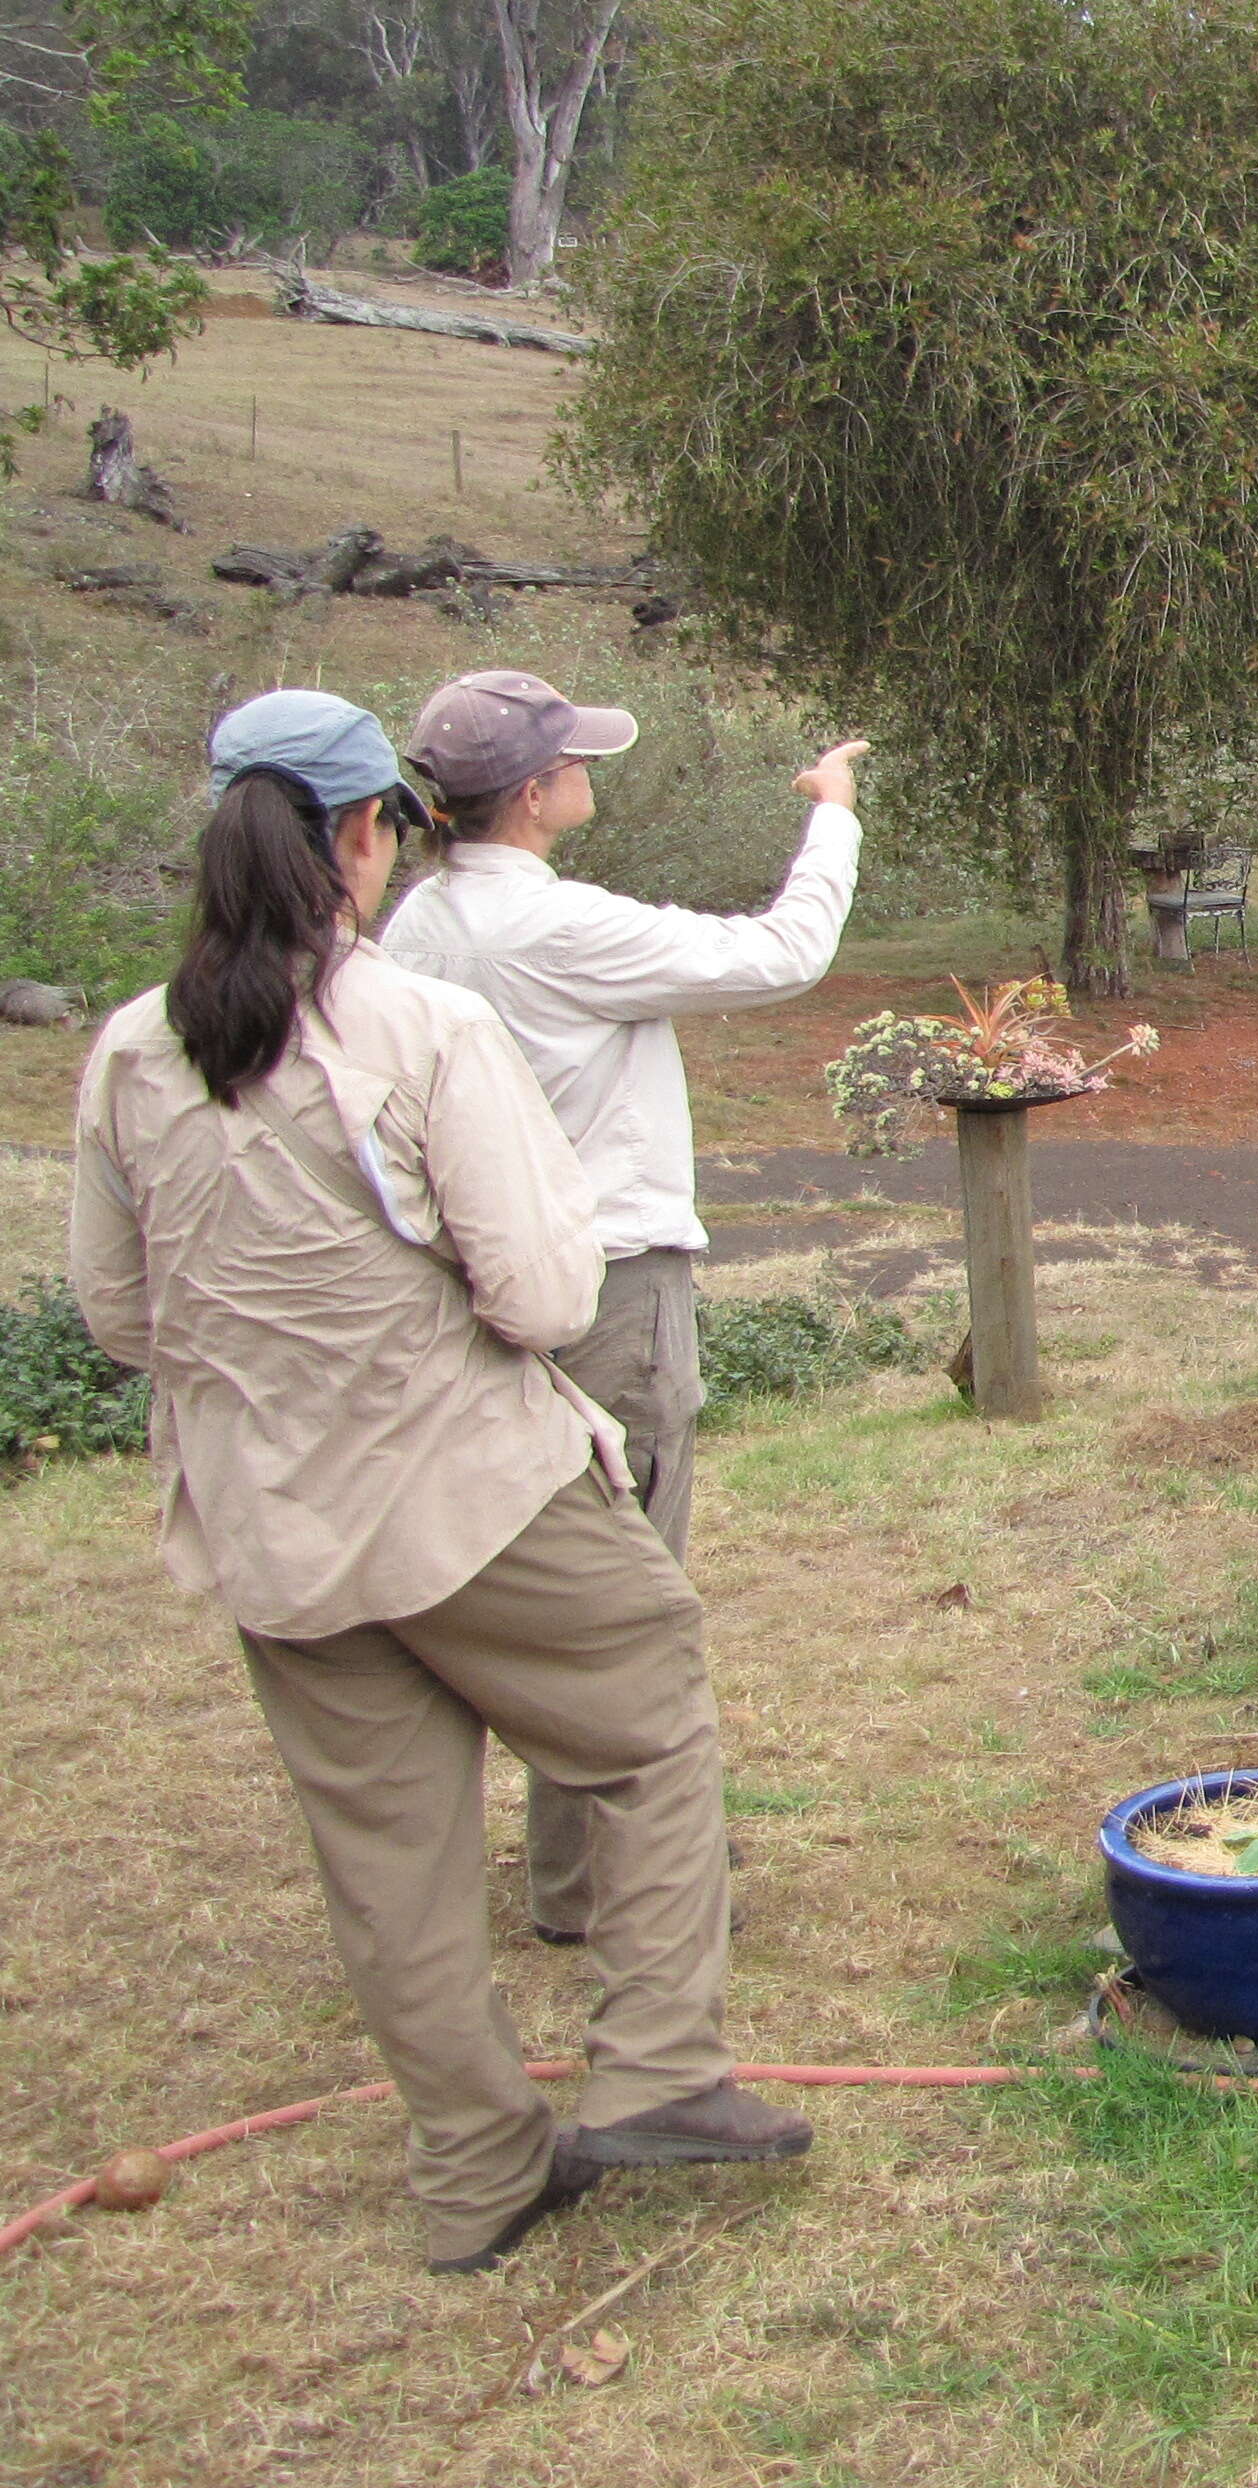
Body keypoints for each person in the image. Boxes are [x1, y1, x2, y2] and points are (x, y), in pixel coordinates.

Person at [70, 691, 809, 2275]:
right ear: (361, 835)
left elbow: (120, 1319)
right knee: (652, 1708)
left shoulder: (133, 1053)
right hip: (466, 1494)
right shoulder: (411, 1027)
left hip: (272, 1529)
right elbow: (545, 1298)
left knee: (390, 1861)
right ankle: (663, 2070)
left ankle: (476, 2175)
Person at [381, 674, 866, 1945]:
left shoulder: (416, 926)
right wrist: (834, 814)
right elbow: (779, 955)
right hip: (605, 1286)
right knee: (629, 1579)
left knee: (540, 1566)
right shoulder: (553, 927)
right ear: (534, 796)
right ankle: (601, 1882)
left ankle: (589, 1860)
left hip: (477, 1290)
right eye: (572, 760)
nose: (590, 771)